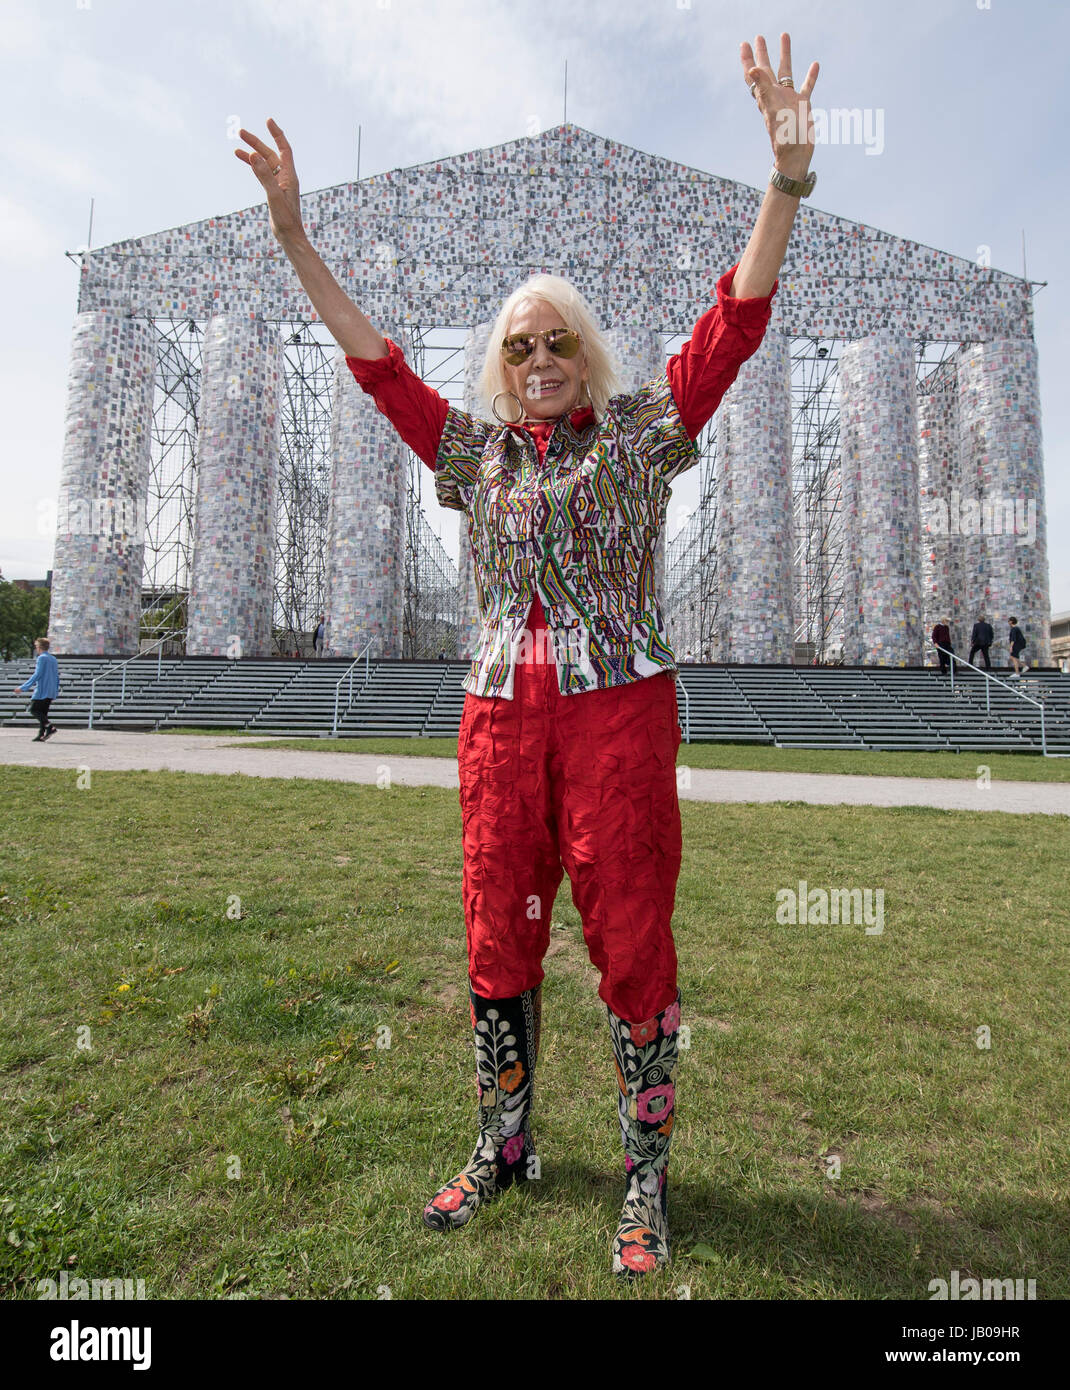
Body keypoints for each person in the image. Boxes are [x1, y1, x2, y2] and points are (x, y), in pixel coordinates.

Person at [237, 30, 819, 1280]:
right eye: (517, 346)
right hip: (498, 719)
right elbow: (375, 365)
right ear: (499, 369)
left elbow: (733, 326)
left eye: (556, 341)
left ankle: (641, 1177)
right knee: (496, 938)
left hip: (615, 716)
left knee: (629, 940)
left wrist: (782, 181)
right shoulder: (472, 457)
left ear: (585, 353)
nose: (540, 359)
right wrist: (294, 237)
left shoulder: (641, 434)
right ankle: (506, 1146)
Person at [14, 637, 60, 741]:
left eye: (36, 646)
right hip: (51, 689)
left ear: (39, 647)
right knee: (43, 713)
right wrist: (55, 690)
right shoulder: (53, 658)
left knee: (34, 710)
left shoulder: (41, 658)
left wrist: (23, 687)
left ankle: (50, 727)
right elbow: (57, 676)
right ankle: (41, 734)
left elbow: (37, 674)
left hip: (43, 689)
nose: (36, 648)